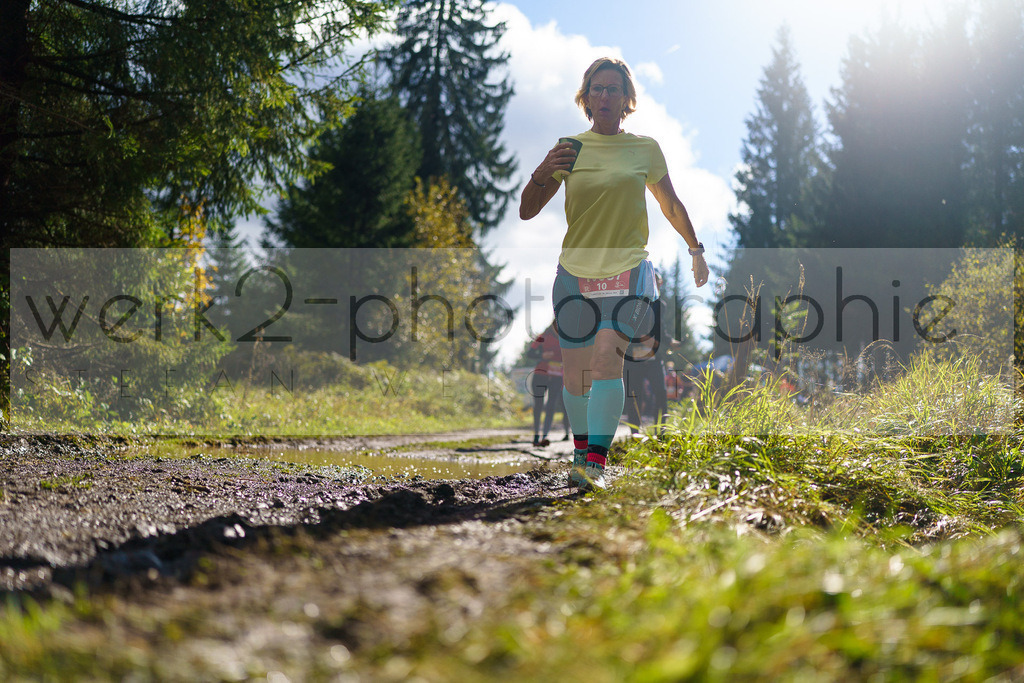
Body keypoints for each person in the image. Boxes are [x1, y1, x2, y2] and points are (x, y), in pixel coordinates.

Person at [519, 57, 710, 491]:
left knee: (607, 359)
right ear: (585, 98)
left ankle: (594, 467)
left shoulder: (645, 148)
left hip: (628, 271)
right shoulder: (570, 148)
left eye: (613, 89)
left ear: (627, 100)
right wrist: (543, 170)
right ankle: (581, 453)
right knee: (575, 376)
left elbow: (671, 205)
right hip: (574, 275)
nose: (605, 96)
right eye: (597, 89)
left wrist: (695, 249)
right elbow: (527, 211)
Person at [623, 273, 681, 436]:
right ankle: (635, 433)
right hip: (632, 357)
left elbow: (660, 329)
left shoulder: (660, 305)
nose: (656, 284)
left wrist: (670, 341)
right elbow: (626, 326)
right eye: (653, 281)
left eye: (658, 282)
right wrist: (641, 338)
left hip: (653, 357)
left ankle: (661, 431)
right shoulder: (632, 301)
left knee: (661, 392)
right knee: (634, 395)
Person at [529, 320, 570, 447]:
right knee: (538, 405)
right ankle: (536, 435)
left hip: (557, 376)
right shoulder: (543, 337)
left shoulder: (567, 340)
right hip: (540, 375)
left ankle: (545, 436)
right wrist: (542, 355)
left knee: (551, 405)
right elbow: (530, 353)